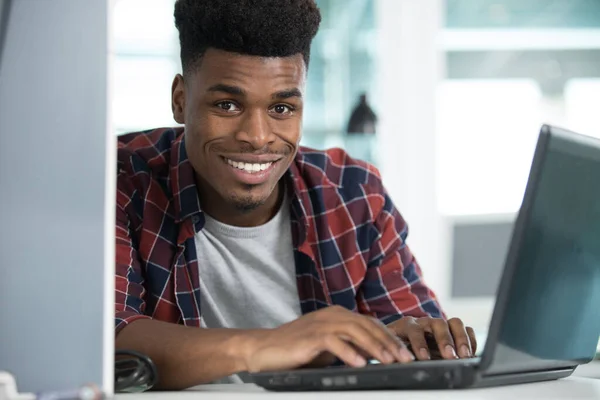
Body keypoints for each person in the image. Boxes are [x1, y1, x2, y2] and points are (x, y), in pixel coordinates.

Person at [115, 0, 476, 390]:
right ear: (180, 100)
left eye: (282, 107)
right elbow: (108, 340)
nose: (257, 136)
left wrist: (425, 341)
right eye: (227, 104)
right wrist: (272, 345)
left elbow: (412, 332)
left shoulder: (353, 194)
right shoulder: (120, 180)